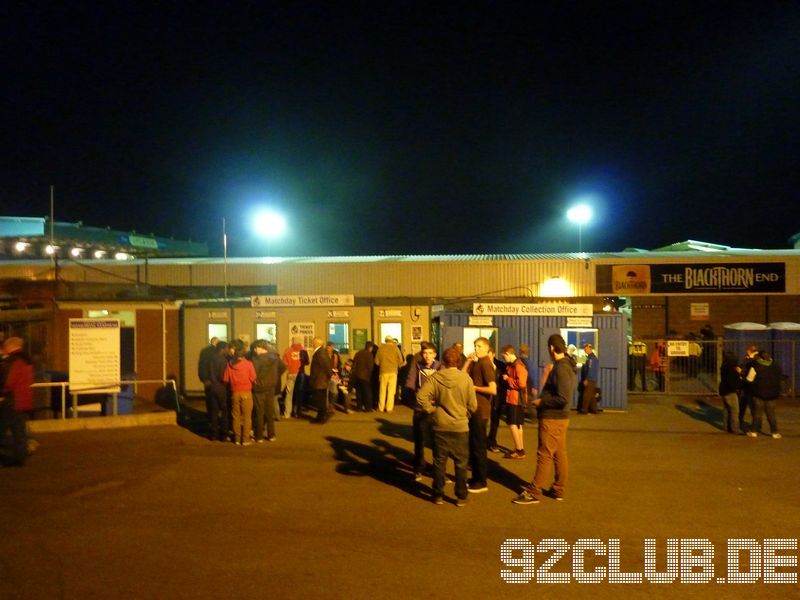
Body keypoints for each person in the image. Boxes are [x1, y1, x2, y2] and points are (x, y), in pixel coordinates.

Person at [513, 334, 576, 505]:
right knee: (558, 453)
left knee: (544, 454)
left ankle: (534, 491)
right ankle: (558, 489)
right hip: (560, 418)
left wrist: (542, 401)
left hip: (553, 418)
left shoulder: (561, 368)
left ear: (551, 348)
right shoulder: (565, 365)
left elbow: (563, 397)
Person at [416, 347, 477, 507]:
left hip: (440, 426)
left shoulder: (436, 378)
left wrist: (431, 409)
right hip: (460, 426)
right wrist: (466, 414)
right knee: (461, 463)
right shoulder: (465, 379)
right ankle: (461, 496)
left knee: (439, 462)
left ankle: (438, 494)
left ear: (443, 361)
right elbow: (473, 405)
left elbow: (421, 396)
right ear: (459, 361)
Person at [462, 337, 496, 494]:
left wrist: (475, 388)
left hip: (481, 410)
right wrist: (468, 360)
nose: (476, 348)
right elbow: (462, 376)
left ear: (487, 348)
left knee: (479, 447)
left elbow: (493, 389)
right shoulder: (477, 362)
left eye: (480, 346)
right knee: (473, 445)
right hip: (473, 409)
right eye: (475, 345)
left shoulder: (485, 364)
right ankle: (476, 477)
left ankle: (481, 481)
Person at [404, 341, 441, 480]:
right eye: (425, 353)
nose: (427, 356)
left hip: (435, 408)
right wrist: (413, 399)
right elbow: (410, 382)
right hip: (420, 408)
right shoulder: (417, 366)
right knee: (419, 439)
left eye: (430, 353)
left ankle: (437, 469)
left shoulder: (440, 367)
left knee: (437, 441)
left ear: (435, 354)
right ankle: (419, 467)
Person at [0, 337, 33, 466]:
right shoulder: (27, 360)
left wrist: (2, 394)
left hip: (11, 401)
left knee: (2, 430)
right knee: (18, 431)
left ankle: (20, 450)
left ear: (11, 346)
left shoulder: (13, 361)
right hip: (24, 401)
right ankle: (20, 458)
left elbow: (9, 381)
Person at [251, 340, 286, 442]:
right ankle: (271, 435)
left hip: (259, 388)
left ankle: (259, 436)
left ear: (261, 348)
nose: (254, 350)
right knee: (269, 412)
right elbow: (283, 367)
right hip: (271, 387)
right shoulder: (275, 358)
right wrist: (274, 376)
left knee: (259, 412)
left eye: (256, 348)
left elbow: (253, 374)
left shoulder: (256, 360)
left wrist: (257, 381)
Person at [223, 339, 256, 445]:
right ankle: (246, 439)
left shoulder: (229, 364)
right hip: (246, 392)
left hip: (234, 393)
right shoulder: (249, 364)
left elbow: (225, 379)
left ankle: (237, 438)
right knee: (247, 417)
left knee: (235, 416)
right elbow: (253, 378)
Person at [745, 351, 783, 439]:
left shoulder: (756, 366)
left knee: (757, 413)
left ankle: (754, 431)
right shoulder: (776, 366)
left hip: (758, 393)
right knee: (771, 414)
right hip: (772, 394)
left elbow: (749, 379)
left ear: (760, 357)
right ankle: (775, 432)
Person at [500, 345, 528, 459]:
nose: (504, 359)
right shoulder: (514, 365)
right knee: (518, 425)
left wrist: (508, 379)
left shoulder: (517, 366)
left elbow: (521, 384)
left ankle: (519, 450)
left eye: (504, 356)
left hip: (515, 399)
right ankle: (520, 448)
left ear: (508, 353)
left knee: (512, 424)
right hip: (517, 399)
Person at [207, 341, 230, 441]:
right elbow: (223, 376)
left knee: (214, 412)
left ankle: (213, 434)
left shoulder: (211, 359)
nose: (228, 350)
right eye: (227, 349)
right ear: (223, 349)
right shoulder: (223, 361)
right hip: (221, 388)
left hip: (212, 387)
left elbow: (210, 374)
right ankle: (224, 435)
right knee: (224, 412)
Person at [374, 336, 404, 413]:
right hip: (393, 372)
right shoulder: (396, 348)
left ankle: (381, 407)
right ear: (391, 341)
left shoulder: (380, 348)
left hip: (383, 371)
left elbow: (376, 362)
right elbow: (400, 361)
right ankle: (389, 408)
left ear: (385, 341)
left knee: (382, 390)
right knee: (391, 391)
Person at [486, 348, 506, 453]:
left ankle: (492, 440)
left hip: (497, 395)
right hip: (485, 395)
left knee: (495, 420)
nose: (487, 355)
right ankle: (482, 440)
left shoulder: (500, 365)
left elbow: (503, 380)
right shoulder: (481, 363)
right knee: (483, 419)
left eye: (488, 353)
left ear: (493, 354)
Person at [308, 337, 332, 424]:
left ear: (317, 343)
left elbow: (327, 366)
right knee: (320, 400)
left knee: (321, 400)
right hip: (320, 380)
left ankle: (322, 418)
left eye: (313, 342)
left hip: (320, 380)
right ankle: (320, 416)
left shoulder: (320, 353)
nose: (312, 344)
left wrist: (329, 377)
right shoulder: (320, 352)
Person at [281, 337, 305, 419]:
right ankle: (298, 412)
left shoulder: (288, 351)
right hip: (300, 375)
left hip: (291, 374)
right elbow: (307, 362)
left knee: (289, 394)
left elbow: (284, 364)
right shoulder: (304, 351)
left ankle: (287, 413)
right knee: (299, 394)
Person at [718, 351, 741, 435]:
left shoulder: (724, 366)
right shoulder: (732, 369)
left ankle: (726, 427)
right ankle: (735, 429)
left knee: (726, 410)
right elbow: (734, 381)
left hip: (724, 390)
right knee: (734, 411)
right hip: (730, 391)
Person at [738, 344, 759, 433]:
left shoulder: (752, 360)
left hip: (748, 386)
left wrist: (741, 372)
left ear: (749, 351)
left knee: (746, 406)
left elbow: (747, 373)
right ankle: (756, 426)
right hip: (753, 387)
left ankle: (741, 423)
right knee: (753, 409)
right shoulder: (757, 359)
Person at [351, 341, 374, 412]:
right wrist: (370, 375)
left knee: (359, 392)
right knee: (367, 392)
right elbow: (370, 366)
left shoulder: (358, 353)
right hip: (365, 376)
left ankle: (359, 407)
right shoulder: (369, 355)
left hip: (357, 375)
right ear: (370, 347)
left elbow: (354, 364)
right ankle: (368, 408)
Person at [197, 336, 218, 412]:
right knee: (216, 399)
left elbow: (201, 365)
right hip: (216, 379)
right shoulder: (218, 352)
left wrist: (203, 378)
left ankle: (209, 415)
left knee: (209, 397)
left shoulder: (204, 351)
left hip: (207, 379)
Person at [578, 343, 599, 414]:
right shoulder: (591, 358)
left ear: (590, 348)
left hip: (590, 379)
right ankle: (594, 409)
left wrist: (587, 379)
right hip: (593, 379)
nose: (584, 350)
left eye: (585, 349)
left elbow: (590, 369)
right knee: (591, 395)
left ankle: (584, 410)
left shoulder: (591, 359)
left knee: (586, 395)